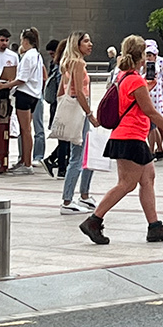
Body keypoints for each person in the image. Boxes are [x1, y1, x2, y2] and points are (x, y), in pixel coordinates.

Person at [79, 35, 163, 245]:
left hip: (128, 135)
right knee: (126, 184)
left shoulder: (123, 77)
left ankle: (154, 226)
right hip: (131, 137)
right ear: (141, 57)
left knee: (148, 178)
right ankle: (94, 220)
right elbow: (152, 113)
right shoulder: (135, 79)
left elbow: (131, 102)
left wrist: (145, 88)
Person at [58, 30, 99, 215]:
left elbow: (61, 92)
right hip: (80, 110)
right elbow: (80, 92)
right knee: (78, 156)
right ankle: (68, 200)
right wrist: (89, 113)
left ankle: (83, 194)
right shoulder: (78, 63)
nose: (90, 44)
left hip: (76, 109)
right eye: (86, 41)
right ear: (77, 44)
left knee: (86, 153)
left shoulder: (68, 63)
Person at [7, 27, 44, 174]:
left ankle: (27, 163)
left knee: (25, 130)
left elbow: (22, 79)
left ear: (25, 41)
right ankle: (24, 159)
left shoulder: (29, 56)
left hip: (25, 94)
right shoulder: (36, 55)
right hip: (34, 94)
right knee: (26, 130)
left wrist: (5, 85)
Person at [41, 39, 70, 178]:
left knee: (66, 138)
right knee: (66, 138)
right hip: (62, 105)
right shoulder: (62, 66)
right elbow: (61, 87)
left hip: (58, 106)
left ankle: (56, 161)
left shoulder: (56, 64)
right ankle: (61, 166)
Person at [144, 40, 163, 160]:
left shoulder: (162, 62)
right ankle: (157, 149)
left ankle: (157, 149)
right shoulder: (142, 62)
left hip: (158, 97)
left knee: (156, 124)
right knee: (150, 125)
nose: (148, 57)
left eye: (151, 54)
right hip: (146, 95)